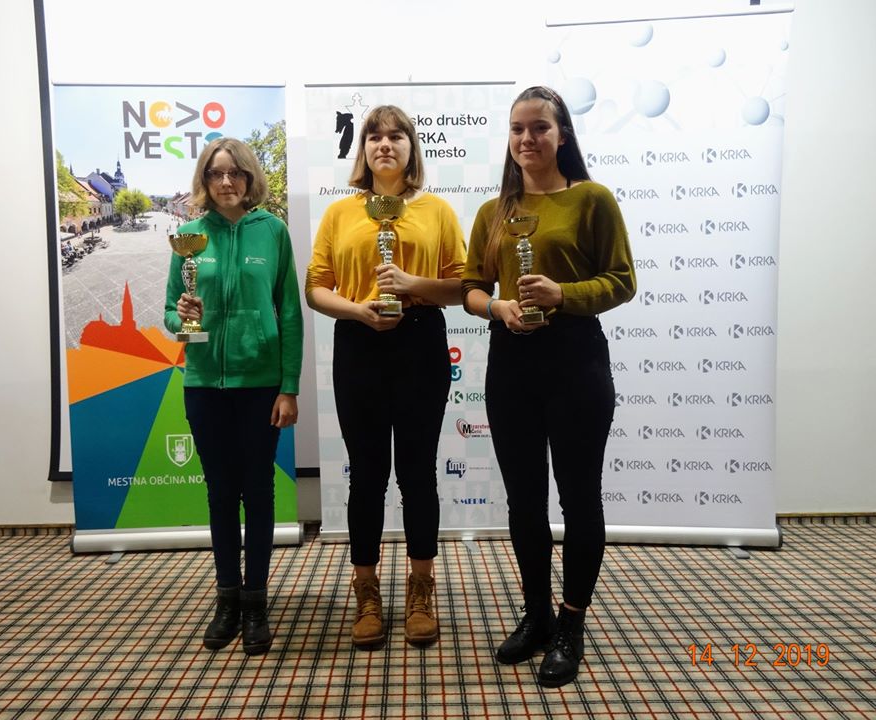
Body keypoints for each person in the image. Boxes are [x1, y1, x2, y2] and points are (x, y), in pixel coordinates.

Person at [462, 86, 636, 687]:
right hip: (511, 364)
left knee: (580, 498)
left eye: (539, 127)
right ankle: (536, 614)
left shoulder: (592, 199)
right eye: (517, 128)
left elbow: (622, 281)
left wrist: (564, 294)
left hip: (576, 363)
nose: (527, 138)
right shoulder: (493, 211)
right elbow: (471, 286)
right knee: (523, 501)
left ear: (562, 135)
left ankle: (571, 623)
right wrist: (498, 307)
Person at [305, 105, 466, 648]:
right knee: (367, 475)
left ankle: (421, 588)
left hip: (420, 341)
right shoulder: (339, 213)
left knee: (418, 473)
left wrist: (412, 282)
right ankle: (367, 590)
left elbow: (462, 287)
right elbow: (316, 287)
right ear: (364, 150)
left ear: (411, 147)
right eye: (375, 136)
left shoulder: (437, 211)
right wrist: (358, 310)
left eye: (397, 135)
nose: (385, 144)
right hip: (359, 343)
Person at [164, 137, 303, 656]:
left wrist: (289, 386)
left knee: (259, 492)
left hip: (260, 385)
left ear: (249, 178)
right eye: (216, 173)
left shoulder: (273, 232)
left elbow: (290, 312)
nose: (226, 182)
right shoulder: (189, 237)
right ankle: (227, 598)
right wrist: (183, 316)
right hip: (204, 384)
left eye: (236, 173)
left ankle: (256, 600)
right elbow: (170, 314)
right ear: (205, 179)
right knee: (221, 495)